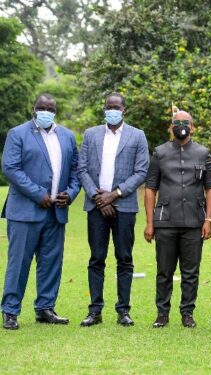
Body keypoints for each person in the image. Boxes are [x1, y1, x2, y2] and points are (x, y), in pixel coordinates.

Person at [1, 94, 80, 330]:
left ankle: (45, 308)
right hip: (26, 211)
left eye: (51, 108)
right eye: (42, 108)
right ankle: (10, 311)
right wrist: (38, 194)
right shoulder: (18, 133)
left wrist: (72, 192)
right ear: (33, 109)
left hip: (56, 211)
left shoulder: (66, 136)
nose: (46, 111)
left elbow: (76, 170)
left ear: (56, 110)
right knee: (19, 263)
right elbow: (10, 168)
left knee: (51, 262)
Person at [77, 92, 149, 327]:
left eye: (116, 106)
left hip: (124, 206)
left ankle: (123, 311)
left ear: (124, 110)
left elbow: (141, 172)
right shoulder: (91, 134)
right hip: (96, 205)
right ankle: (95, 310)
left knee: (124, 258)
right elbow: (82, 169)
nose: (112, 110)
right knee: (96, 258)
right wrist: (99, 197)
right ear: (104, 108)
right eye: (109, 106)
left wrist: (114, 195)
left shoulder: (137, 136)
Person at [144, 110, 211, 328]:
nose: (181, 126)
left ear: (193, 127)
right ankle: (162, 314)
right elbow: (150, 189)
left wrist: (209, 220)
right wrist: (150, 223)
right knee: (164, 271)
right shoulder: (159, 153)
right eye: (177, 123)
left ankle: (187, 313)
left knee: (191, 272)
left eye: (186, 123)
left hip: (194, 222)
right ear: (170, 127)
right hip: (165, 221)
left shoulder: (203, 154)